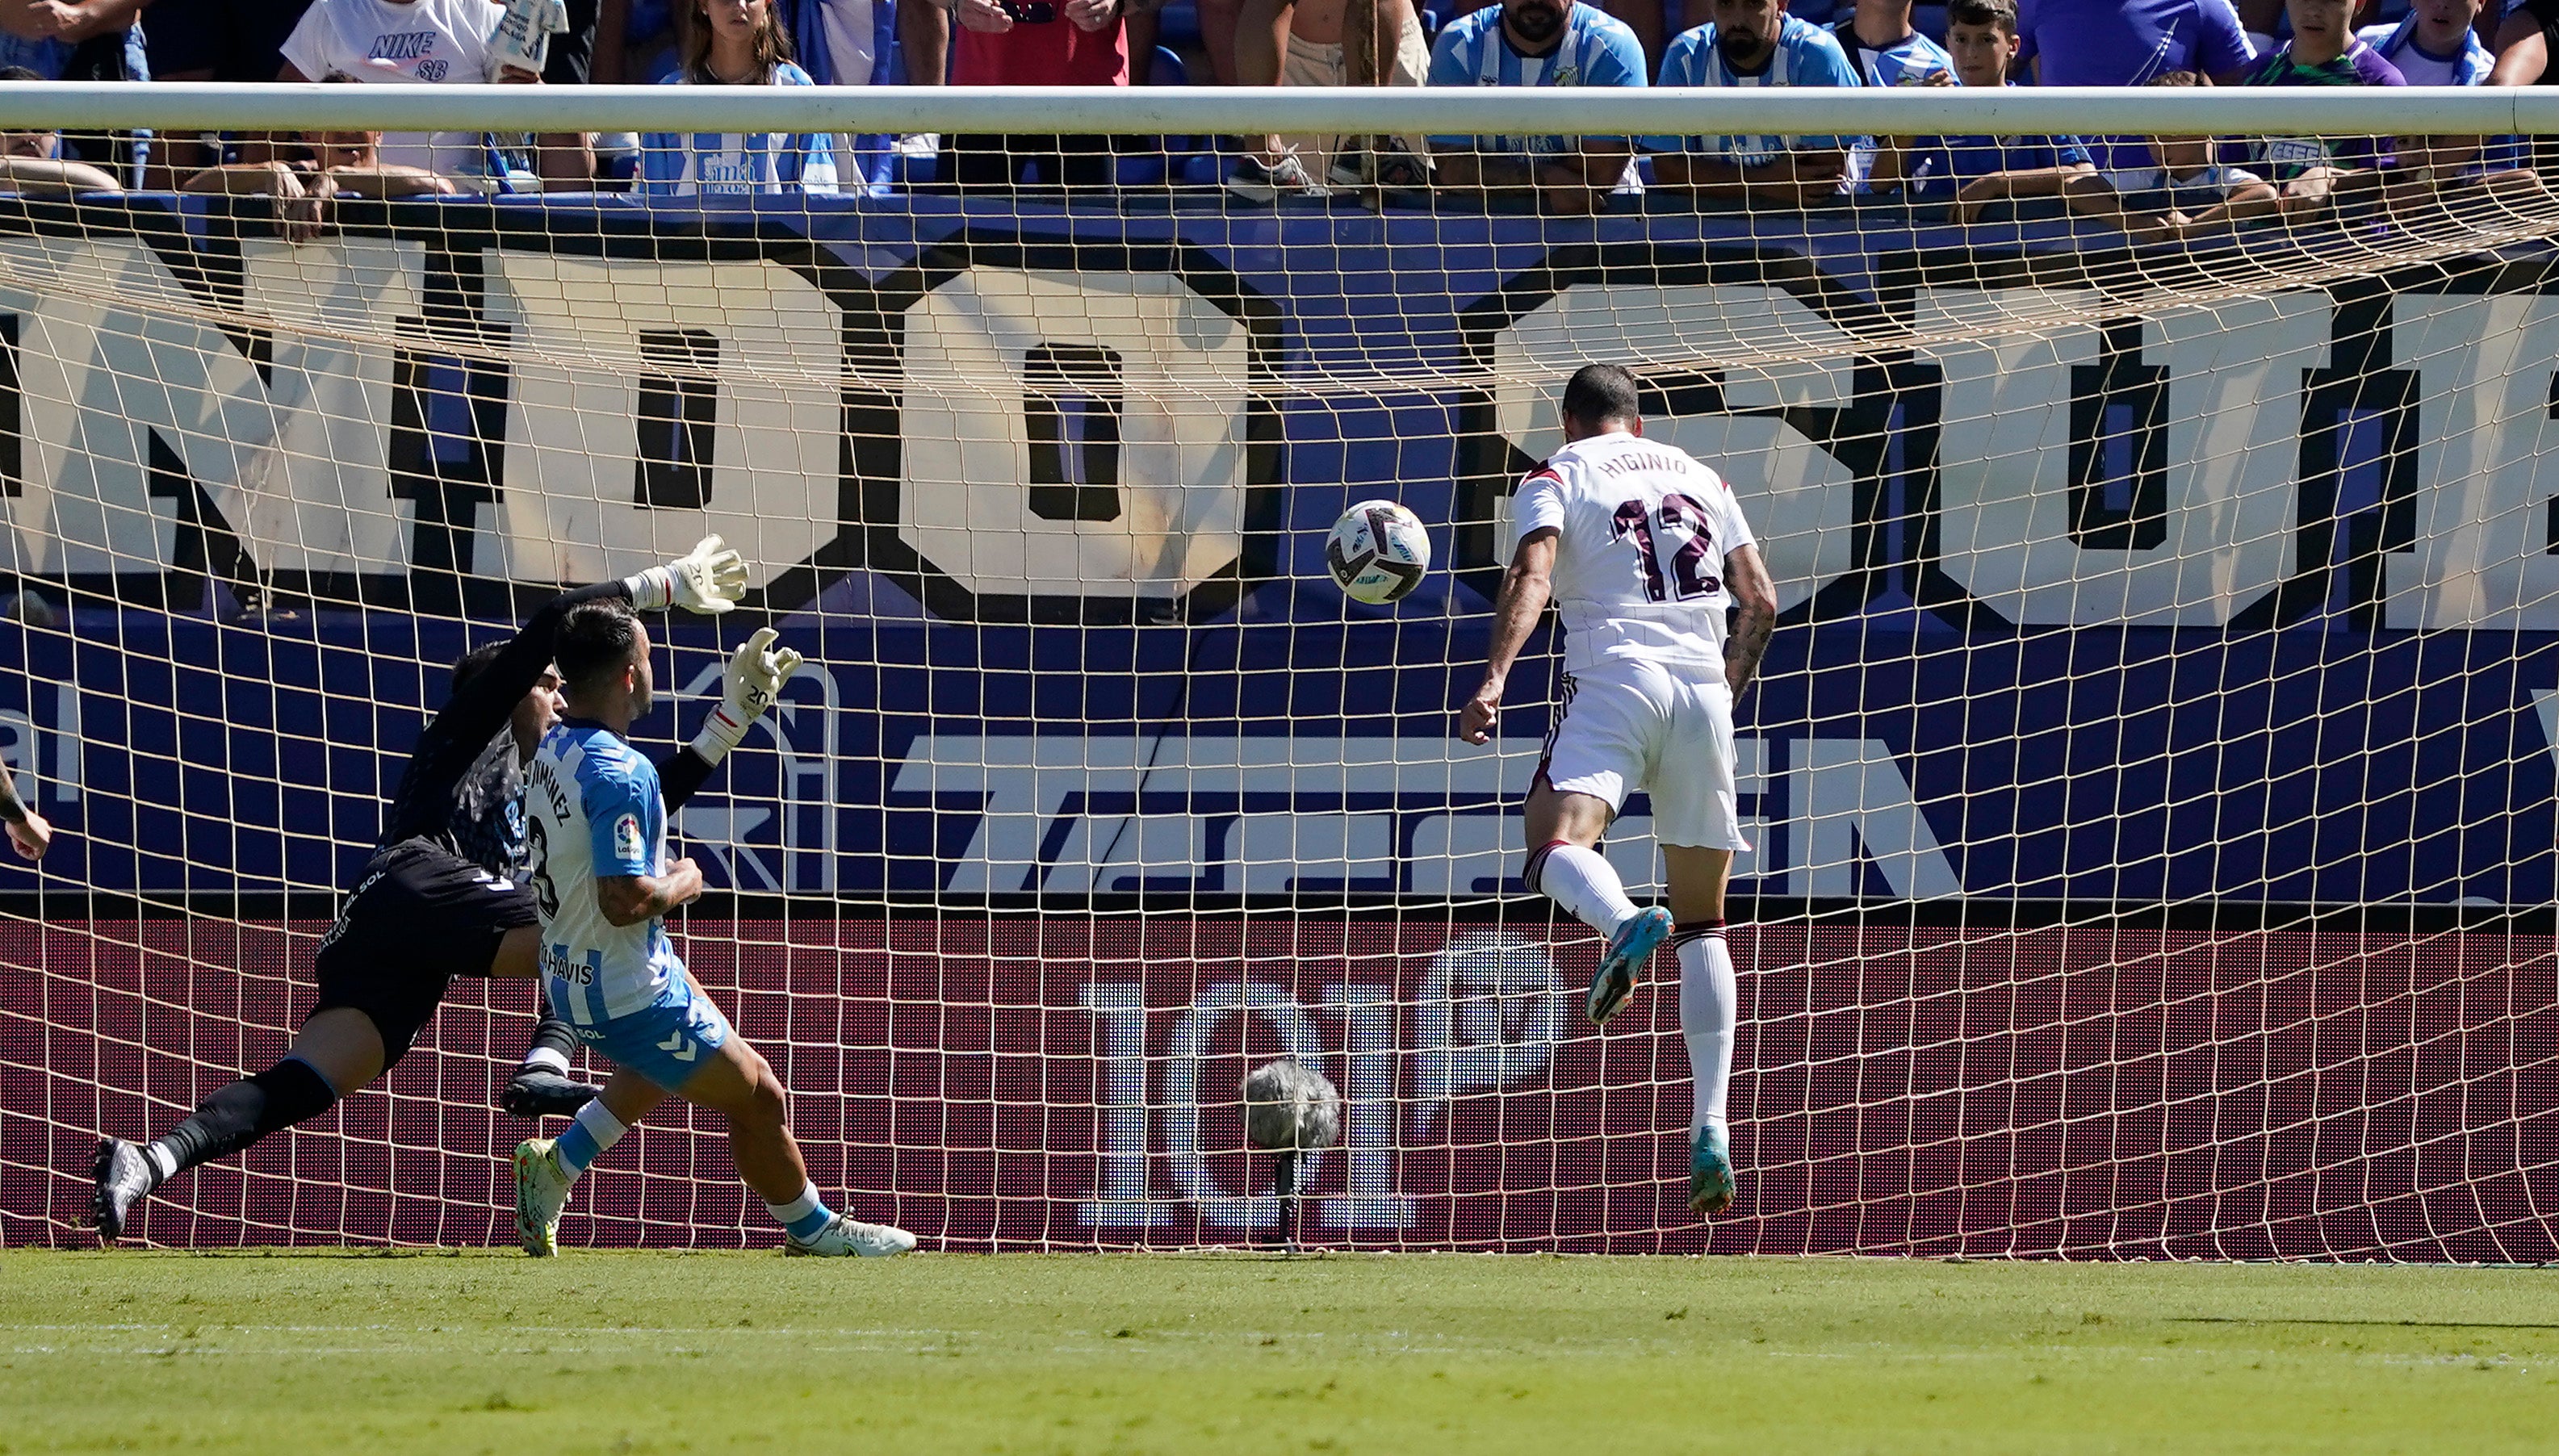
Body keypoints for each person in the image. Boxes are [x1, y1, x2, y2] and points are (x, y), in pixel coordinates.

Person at [90, 538, 766, 1241]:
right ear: (511, 693)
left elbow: (637, 809)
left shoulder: (555, 773)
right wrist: (658, 583)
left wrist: (725, 729)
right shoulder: (470, 730)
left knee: (311, 1079)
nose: (561, 701)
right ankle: (545, 1064)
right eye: (549, 690)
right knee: (592, 921)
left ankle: (150, 1158)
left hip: (395, 932)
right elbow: (550, 626)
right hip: (413, 876)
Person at [1460, 363, 1778, 1219]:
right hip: (1704, 691)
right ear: (1636, 421)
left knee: (1553, 839)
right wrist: (1718, 702)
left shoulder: (1557, 473)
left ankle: (1618, 920)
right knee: (1705, 922)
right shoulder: (1700, 476)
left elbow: (1532, 575)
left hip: (1614, 674)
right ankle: (1709, 1124)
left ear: (1570, 421)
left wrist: (1493, 677)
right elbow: (1760, 599)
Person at [511, 603, 915, 1258]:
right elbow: (624, 900)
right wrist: (683, 881)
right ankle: (813, 1230)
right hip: (624, 987)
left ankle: (554, 1168)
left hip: (573, 969)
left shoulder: (553, 744)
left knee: (663, 1067)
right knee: (758, 1095)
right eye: (645, 658)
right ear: (625, 677)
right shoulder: (622, 771)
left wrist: (731, 720)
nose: (651, 670)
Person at [277, 0, 571, 190]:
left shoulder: (480, 13)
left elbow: (530, 105)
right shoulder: (330, 11)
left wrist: (533, 93)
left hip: (457, 222)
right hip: (353, 220)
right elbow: (272, 114)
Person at [1869, 0, 2096, 222]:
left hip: (2022, 247)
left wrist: (1997, 183)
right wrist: (1920, 115)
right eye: (1961, 39)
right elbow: (1880, 182)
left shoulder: (2034, 106)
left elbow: (2083, 174)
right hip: (1944, 246)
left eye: (1986, 40)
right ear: (1948, 43)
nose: (1971, 52)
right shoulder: (1939, 107)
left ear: (2013, 47)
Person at [1425, 0, 1649, 215]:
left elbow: (1598, 174)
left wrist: (1498, 176)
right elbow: (1452, 167)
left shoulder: (1611, 46)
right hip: (1485, 224)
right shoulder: (1459, 43)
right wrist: (1544, 178)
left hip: (1603, 224)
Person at [1643, 0, 1862, 207]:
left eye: (1754, 4)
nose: (1738, 20)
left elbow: (1819, 179)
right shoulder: (1686, 55)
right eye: (1725, 3)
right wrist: (1763, 182)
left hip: (1813, 227)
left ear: (1781, 5)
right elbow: (1668, 170)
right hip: (1712, 226)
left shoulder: (1817, 55)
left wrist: (1713, 179)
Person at [2017, 0, 2255, 170]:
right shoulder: (2033, 4)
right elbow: (1988, 74)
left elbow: (2249, 99)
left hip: (2174, 207)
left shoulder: (2203, 4)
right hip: (2066, 203)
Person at [638, 0, 841, 196]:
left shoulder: (798, 91)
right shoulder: (669, 97)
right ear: (703, 4)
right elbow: (650, 211)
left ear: (767, 4)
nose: (740, 6)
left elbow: (818, 203)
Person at [1232, 0, 1431, 197]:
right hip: (1285, 58)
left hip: (1388, 51)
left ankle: (1265, 157)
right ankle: (1267, 157)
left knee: (1416, 221)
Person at [932, 0, 1129, 192]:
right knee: (964, 222)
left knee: (1086, 221)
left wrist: (1118, 3)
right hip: (981, 95)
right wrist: (956, 3)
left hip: (1087, 101)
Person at [2234, 0, 2401, 218]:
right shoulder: (2259, 72)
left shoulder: (2380, 83)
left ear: (2359, 4)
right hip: (2252, 239)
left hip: (2340, 241)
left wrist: (2329, 177)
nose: (2313, 11)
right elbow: (2232, 165)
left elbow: (2388, 174)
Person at [2071, 70, 2278, 241]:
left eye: (2171, 134)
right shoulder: (2145, 179)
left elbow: (2265, 195)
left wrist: (2193, 225)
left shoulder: (2221, 179)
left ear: (2205, 128)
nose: (2160, 145)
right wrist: (2133, 224)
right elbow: (2074, 186)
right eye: (2151, 137)